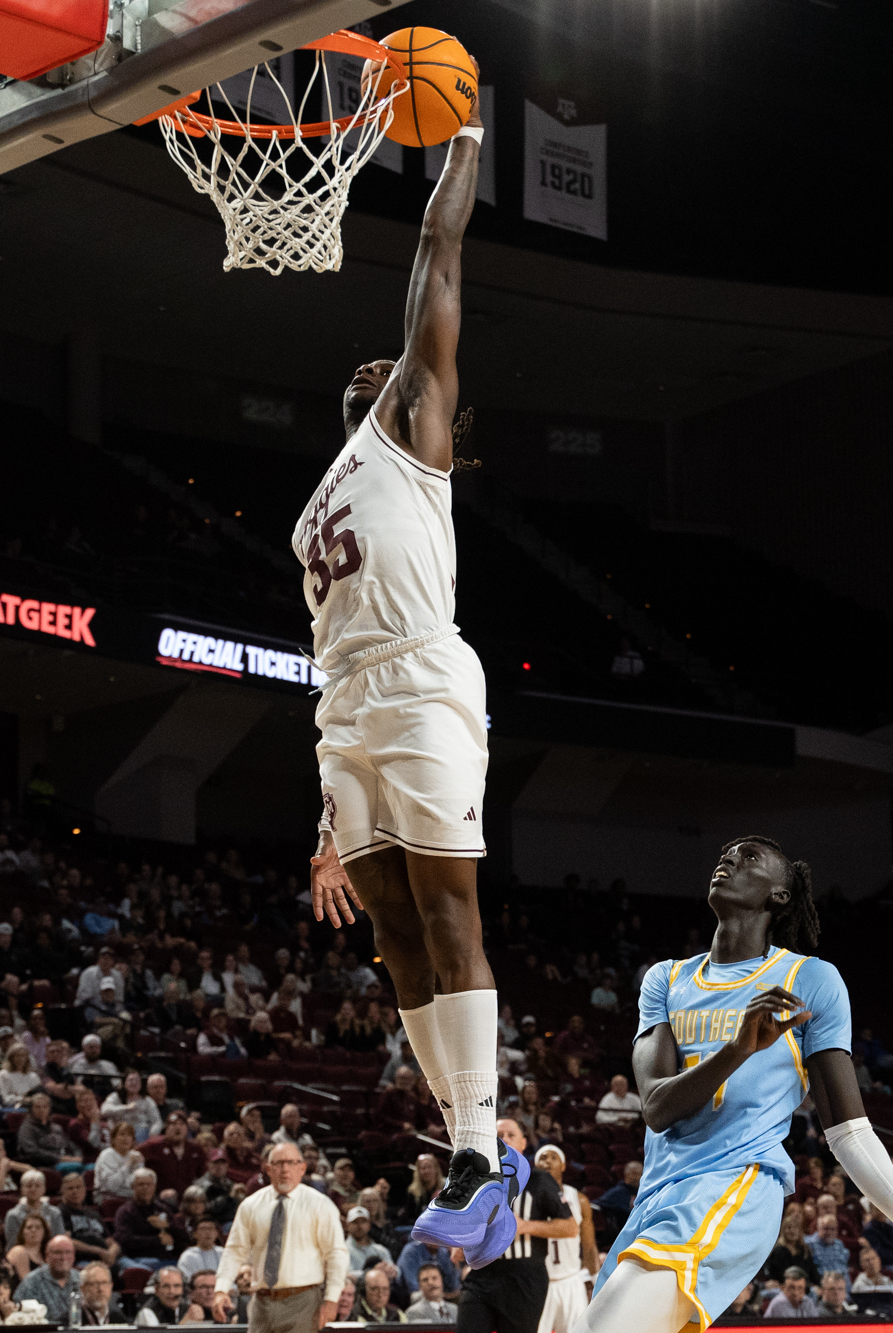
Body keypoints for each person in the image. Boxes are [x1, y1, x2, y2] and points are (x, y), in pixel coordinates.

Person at [300, 84, 525, 1273]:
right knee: (388, 929)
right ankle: (464, 1147)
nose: (375, 364)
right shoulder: (317, 499)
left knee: (446, 912)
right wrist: (325, 813)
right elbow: (325, 646)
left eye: (391, 363)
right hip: (344, 711)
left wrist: (465, 139)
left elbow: (438, 252)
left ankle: (485, 1143)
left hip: (425, 682)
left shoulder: (410, 427)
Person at [582, 838, 893, 1333]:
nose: (727, 859)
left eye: (749, 856)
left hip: (736, 1184)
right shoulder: (666, 979)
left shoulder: (809, 980)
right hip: (656, 1196)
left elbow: (849, 1131)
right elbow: (657, 1107)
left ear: (779, 895)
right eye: (725, 852)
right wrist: (738, 1049)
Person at [213, 1142, 347, 1333]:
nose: (285, 1169)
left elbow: (336, 1254)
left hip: (303, 1300)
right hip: (261, 1301)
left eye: (291, 1163)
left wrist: (332, 1299)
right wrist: (221, 1289)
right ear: (268, 1169)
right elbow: (235, 1250)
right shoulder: (250, 1205)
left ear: (302, 1168)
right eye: (278, 1163)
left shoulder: (320, 1205)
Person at [459, 1118, 574, 1333]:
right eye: (498, 1136)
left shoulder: (539, 1180)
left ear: (523, 1143)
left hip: (525, 1277)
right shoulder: (474, 1181)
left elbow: (569, 1227)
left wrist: (524, 1227)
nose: (503, 1140)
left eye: (511, 1135)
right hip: (482, 1274)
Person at [535, 1144, 599, 1333]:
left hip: (571, 1282)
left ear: (563, 1165)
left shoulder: (579, 1200)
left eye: (553, 1157)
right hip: (540, 1283)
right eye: (542, 1157)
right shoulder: (528, 1198)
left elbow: (589, 1247)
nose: (547, 1161)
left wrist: (597, 1281)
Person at [116, 1168, 190, 1273]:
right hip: (140, 1259)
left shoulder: (163, 1209)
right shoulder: (126, 1212)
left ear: (154, 1187)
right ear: (133, 1187)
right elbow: (124, 1240)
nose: (145, 1188)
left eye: (149, 1184)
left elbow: (184, 1236)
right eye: (141, 1184)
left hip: (168, 1258)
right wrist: (157, 1240)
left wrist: (168, 1226)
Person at [14, 1234, 81, 1319]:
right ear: (47, 1255)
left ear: (73, 1256)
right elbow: (19, 1314)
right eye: (58, 1252)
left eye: (68, 1252)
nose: (63, 1257)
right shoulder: (31, 1282)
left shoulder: (82, 1279)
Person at [342, 1207, 392, 1277]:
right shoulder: (343, 1250)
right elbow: (347, 1275)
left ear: (369, 1225)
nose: (359, 1226)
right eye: (355, 1222)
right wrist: (374, 1271)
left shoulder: (380, 1250)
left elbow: (395, 1271)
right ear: (347, 1226)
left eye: (363, 1221)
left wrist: (392, 1271)